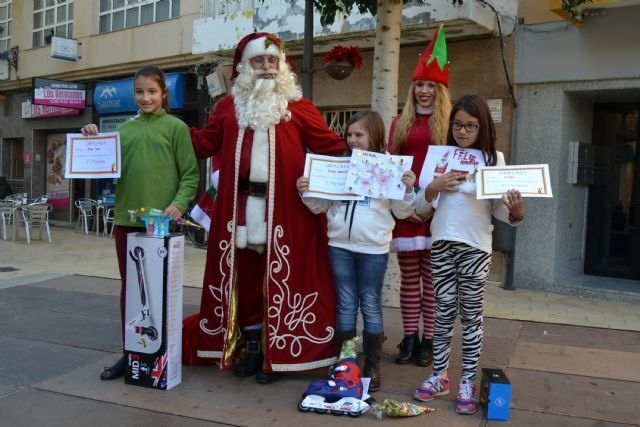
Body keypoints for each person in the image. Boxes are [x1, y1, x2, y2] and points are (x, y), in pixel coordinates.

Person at [182, 32, 348, 384]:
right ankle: (253, 349)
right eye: (259, 61)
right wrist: (168, 128)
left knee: (282, 280)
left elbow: (334, 148)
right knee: (246, 280)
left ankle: (280, 355)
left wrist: (374, 155)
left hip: (286, 215)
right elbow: (203, 143)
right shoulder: (228, 106)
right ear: (244, 67)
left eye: (273, 61)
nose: (268, 67)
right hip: (239, 214)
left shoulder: (299, 107)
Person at [80, 65, 199, 381]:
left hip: (162, 225)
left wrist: (178, 204)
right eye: (140, 92)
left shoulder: (176, 128)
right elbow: (99, 164)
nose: (145, 98)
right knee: (130, 290)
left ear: (163, 93)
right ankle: (130, 353)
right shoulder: (123, 131)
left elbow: (190, 175)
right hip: (126, 221)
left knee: (161, 290)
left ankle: (161, 354)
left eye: (152, 91)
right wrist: (91, 138)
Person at [412, 94, 525, 415]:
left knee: (472, 316)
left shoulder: (493, 160)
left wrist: (517, 211)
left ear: (482, 127)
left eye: (470, 126)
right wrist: (434, 186)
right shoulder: (440, 157)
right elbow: (419, 210)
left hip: (475, 248)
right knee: (443, 313)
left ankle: (467, 380)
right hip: (442, 244)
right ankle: (439, 376)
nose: (463, 131)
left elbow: (503, 212)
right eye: (458, 125)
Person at [296, 111, 416, 392]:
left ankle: (372, 367)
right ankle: (346, 363)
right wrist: (307, 190)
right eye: (349, 135)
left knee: (371, 303)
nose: (352, 140)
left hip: (374, 248)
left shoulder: (390, 167)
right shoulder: (338, 166)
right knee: (346, 303)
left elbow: (402, 210)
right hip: (340, 245)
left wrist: (408, 189)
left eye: (358, 135)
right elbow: (319, 206)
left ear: (374, 135)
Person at [388, 23, 451, 367]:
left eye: (431, 85)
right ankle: (409, 337)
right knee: (409, 277)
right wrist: (406, 207)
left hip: (437, 212)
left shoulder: (451, 124)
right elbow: (391, 169)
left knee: (432, 280)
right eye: (419, 85)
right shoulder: (399, 123)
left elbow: (455, 168)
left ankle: (430, 340)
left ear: (440, 90)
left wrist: (429, 207)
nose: (424, 91)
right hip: (406, 211)